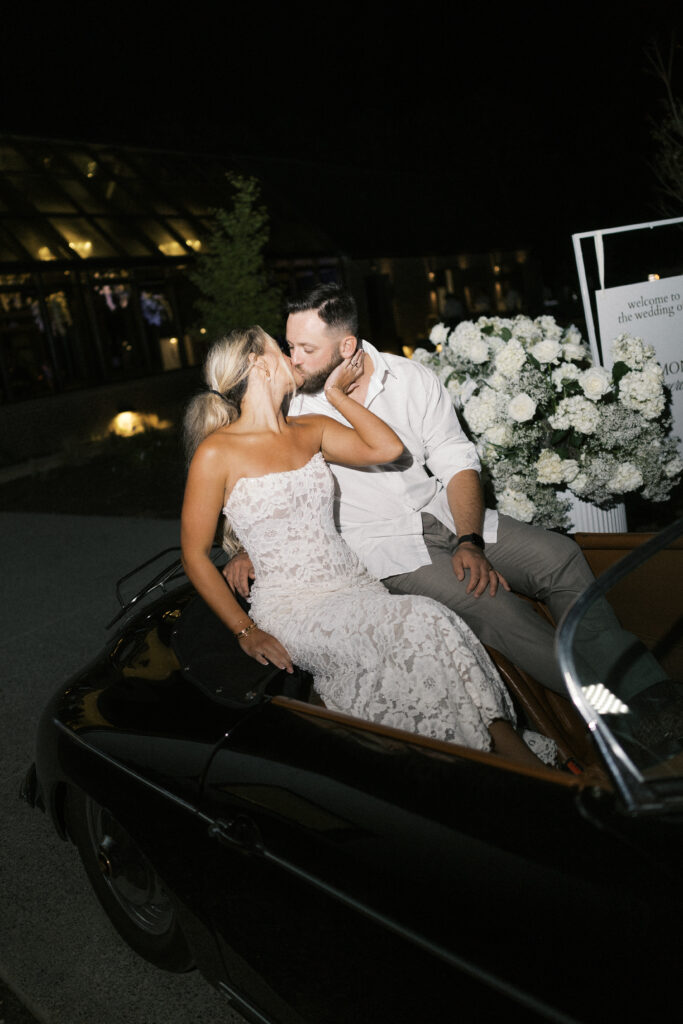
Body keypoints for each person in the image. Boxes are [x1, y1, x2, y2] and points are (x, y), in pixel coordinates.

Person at [224, 284, 662, 701]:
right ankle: (611, 710)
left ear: (346, 347)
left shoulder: (410, 377)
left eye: (306, 349)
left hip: (446, 514)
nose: (293, 360)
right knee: (495, 607)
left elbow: (457, 461)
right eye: (290, 346)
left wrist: (470, 540)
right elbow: (256, 477)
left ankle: (647, 692)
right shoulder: (292, 402)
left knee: (560, 556)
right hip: (384, 545)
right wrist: (248, 548)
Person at [181, 325, 557, 768]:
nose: (291, 356)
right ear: (257, 364)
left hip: (355, 586)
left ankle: (505, 761)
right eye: (279, 349)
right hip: (294, 607)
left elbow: (388, 448)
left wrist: (337, 397)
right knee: (422, 619)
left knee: (436, 621)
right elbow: (194, 554)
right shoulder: (217, 453)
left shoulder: (311, 428)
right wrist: (245, 630)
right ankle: (514, 766)